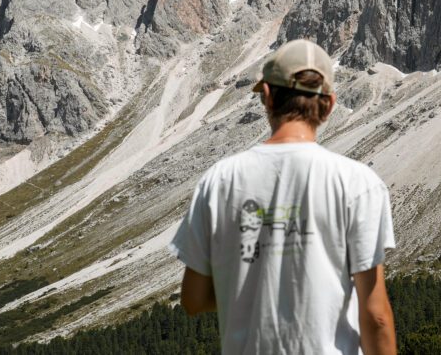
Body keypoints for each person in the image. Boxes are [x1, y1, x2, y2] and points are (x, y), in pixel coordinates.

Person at [169, 39, 396, 354]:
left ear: (267, 98)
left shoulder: (220, 180)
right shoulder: (359, 183)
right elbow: (377, 316)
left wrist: (254, 295)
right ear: (329, 104)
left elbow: (192, 301)